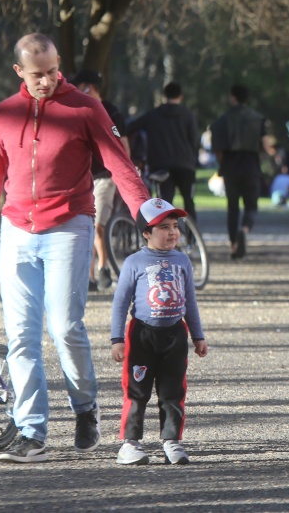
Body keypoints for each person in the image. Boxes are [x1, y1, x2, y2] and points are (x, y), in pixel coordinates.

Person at [0, 33, 149, 464]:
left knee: (65, 326)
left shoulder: (85, 108)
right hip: (16, 232)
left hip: (70, 224)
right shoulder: (4, 114)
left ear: (59, 62)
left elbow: (119, 163)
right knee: (21, 336)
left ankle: (85, 408)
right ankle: (31, 432)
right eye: (37, 74)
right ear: (19, 72)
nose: (46, 80)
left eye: (52, 71)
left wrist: (146, 213)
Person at [110, 198, 208, 465]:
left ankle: (172, 441)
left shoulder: (183, 261)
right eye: (163, 227)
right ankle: (130, 443)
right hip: (141, 335)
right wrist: (117, 339)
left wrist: (198, 336)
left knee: (173, 391)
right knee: (137, 390)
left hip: (175, 335)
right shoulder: (134, 262)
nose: (172, 232)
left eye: (175, 226)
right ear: (146, 233)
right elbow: (120, 303)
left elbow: (190, 301)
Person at [72, 68, 130, 291]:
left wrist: (122, 172)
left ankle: (102, 268)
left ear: (88, 87)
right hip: (84, 177)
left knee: (97, 226)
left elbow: (123, 145)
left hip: (105, 176)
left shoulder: (110, 112)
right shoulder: (78, 110)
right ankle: (90, 275)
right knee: (87, 226)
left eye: (79, 86)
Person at [126, 82, 200, 222]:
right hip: (185, 165)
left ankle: (166, 237)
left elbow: (130, 128)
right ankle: (192, 240)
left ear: (165, 96)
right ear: (181, 96)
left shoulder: (153, 115)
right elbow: (195, 141)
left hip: (161, 166)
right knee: (189, 203)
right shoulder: (188, 115)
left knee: (165, 204)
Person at [211, 84, 266, 259]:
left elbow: (217, 149)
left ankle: (234, 245)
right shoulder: (257, 119)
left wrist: (222, 164)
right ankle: (244, 229)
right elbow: (264, 144)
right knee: (251, 205)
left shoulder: (222, 120)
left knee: (232, 207)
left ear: (232, 97)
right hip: (251, 165)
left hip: (230, 167)